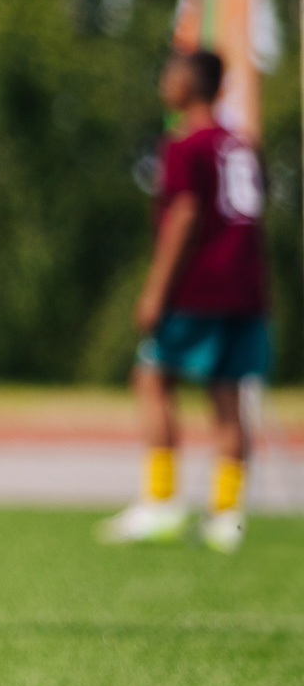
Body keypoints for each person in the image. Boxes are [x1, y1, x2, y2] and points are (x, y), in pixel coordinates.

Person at [101, 48, 264, 554]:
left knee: (151, 378)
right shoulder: (241, 144)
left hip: (199, 286)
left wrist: (155, 289)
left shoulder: (185, 142)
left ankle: (162, 502)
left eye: (170, 75)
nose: (164, 83)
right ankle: (228, 517)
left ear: (189, 85)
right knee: (228, 397)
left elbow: (186, 214)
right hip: (246, 287)